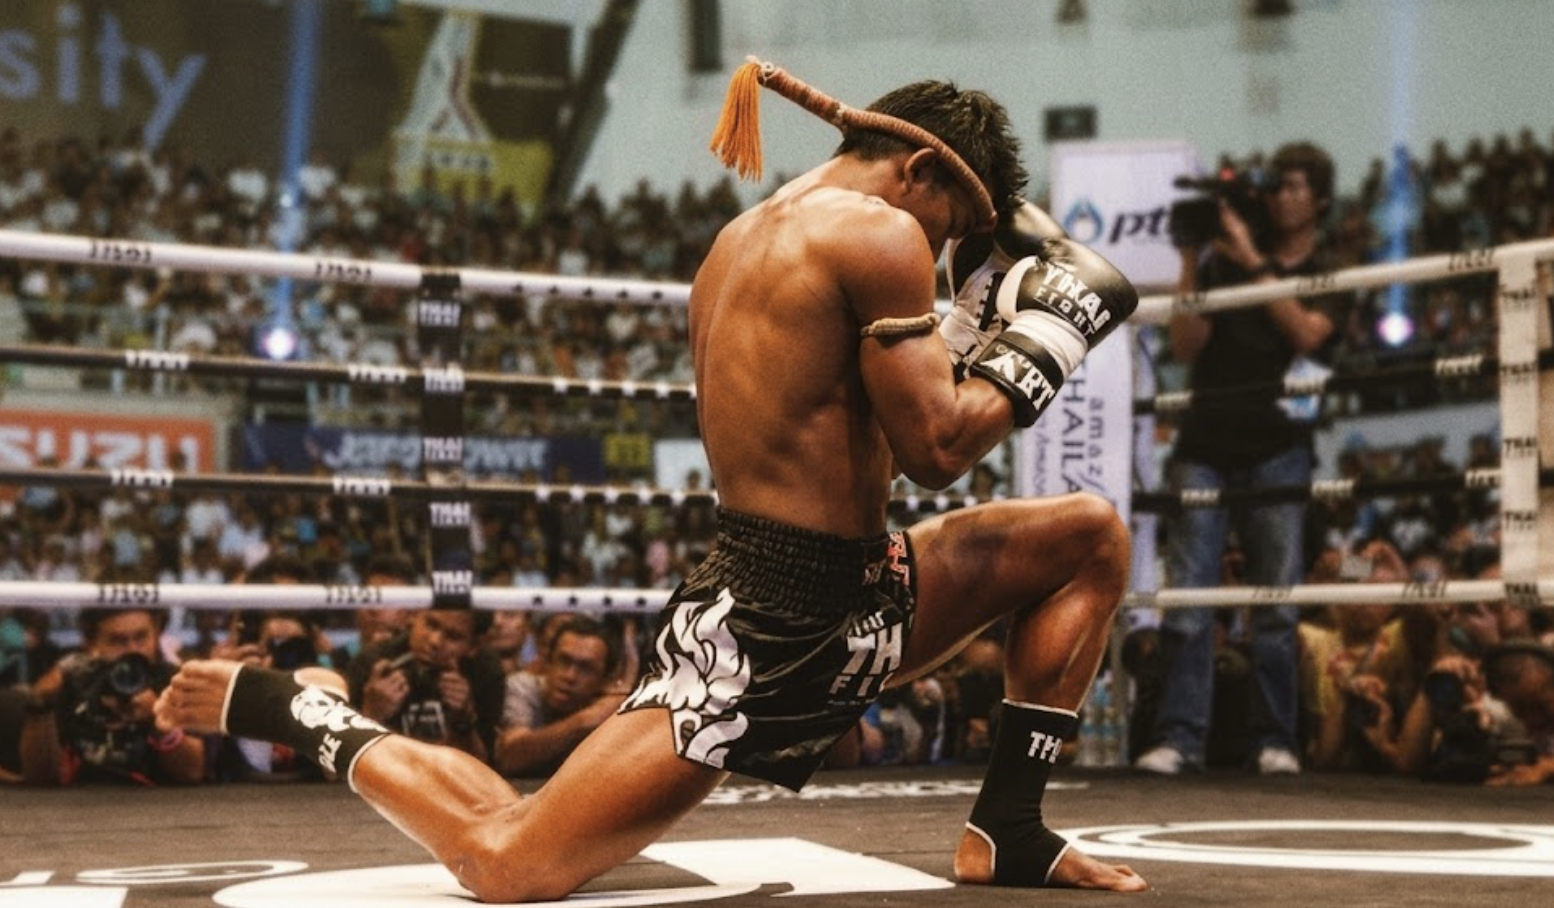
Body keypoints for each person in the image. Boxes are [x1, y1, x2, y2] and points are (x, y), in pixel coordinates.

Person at [158, 67, 1145, 897]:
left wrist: (968, 329)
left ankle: (1009, 823)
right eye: (953, 226)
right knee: (508, 857)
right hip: (765, 619)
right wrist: (1052, 331)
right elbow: (937, 445)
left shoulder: (743, 241)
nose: (947, 252)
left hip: (861, 582)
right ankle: (291, 705)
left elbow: (867, 426)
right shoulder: (879, 234)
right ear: (921, 167)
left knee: (1088, 534)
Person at [1135, 141, 1343, 777]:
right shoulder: (1223, 260)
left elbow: (1309, 333)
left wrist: (1252, 262)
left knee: (1275, 603)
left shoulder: (1331, 263)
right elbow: (1185, 342)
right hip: (1205, 443)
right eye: (1275, 184)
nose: (1281, 195)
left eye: (1294, 186)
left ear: (1320, 202)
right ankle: (1180, 737)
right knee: (1191, 598)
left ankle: (1275, 739)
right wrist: (1191, 261)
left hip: (1280, 446)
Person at [21, 606, 203, 785]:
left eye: (141, 637)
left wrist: (156, 722)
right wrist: (40, 707)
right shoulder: (73, 680)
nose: (133, 650)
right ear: (91, 644)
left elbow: (192, 773)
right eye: (117, 641)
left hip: (160, 806)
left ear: (156, 635)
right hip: (80, 804)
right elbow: (39, 778)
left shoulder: (174, 682)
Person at [493, 615, 627, 777]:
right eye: (564, 661)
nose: (570, 676)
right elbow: (511, 758)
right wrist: (584, 721)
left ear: (606, 679)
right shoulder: (523, 687)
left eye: (585, 668)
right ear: (547, 662)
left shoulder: (615, 709)